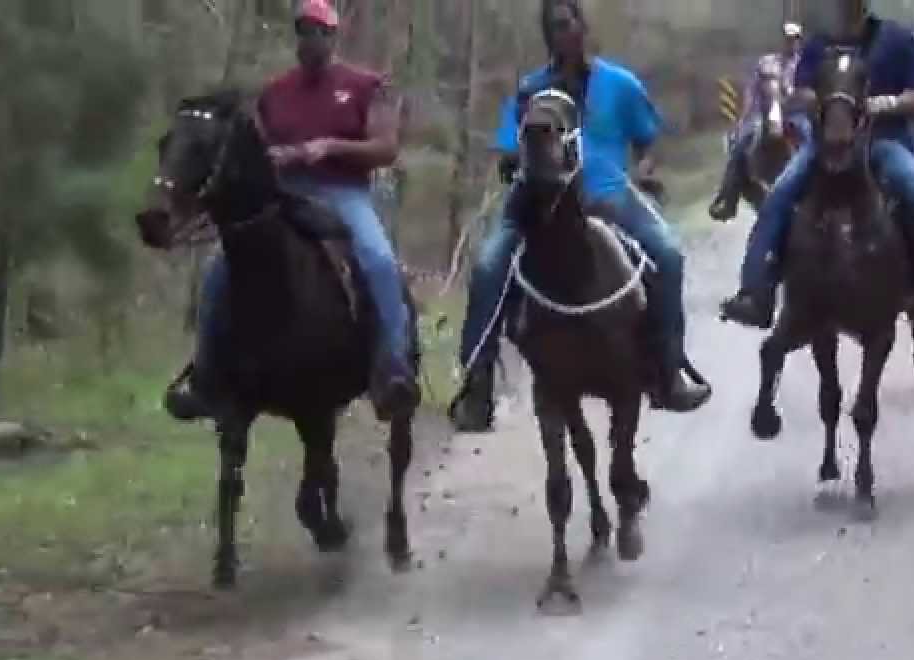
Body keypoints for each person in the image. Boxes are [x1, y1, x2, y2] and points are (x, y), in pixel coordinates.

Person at [448, 0, 710, 432]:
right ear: (547, 35)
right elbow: (508, 147)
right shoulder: (531, 91)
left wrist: (643, 174)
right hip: (538, 199)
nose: (563, 34)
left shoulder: (621, 84)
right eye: (554, 27)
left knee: (668, 254)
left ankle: (668, 371)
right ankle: (478, 384)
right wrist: (518, 160)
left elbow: (647, 141)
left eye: (568, 24)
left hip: (609, 192)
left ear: (583, 27)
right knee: (488, 265)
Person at [166, 0, 418, 421]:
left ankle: (392, 366)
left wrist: (328, 147)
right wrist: (266, 159)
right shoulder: (275, 92)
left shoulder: (365, 86)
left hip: (343, 191)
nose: (309, 40)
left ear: (333, 36)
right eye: (303, 31)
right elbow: (254, 149)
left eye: (318, 32)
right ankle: (206, 376)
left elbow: (386, 148)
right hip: (285, 192)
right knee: (218, 269)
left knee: (378, 260)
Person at [719, 0, 914, 329]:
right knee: (779, 193)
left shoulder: (897, 39)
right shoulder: (819, 44)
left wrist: (891, 102)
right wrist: (830, 101)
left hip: (884, 139)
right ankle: (755, 292)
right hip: (825, 144)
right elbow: (800, 93)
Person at [708, 22, 804, 221]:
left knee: (811, 140)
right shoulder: (767, 62)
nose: (790, 43)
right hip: (764, 113)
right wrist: (743, 119)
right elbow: (752, 92)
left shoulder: (802, 66)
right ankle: (728, 198)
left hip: (794, 114)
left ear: (799, 41)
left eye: (794, 39)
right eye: (787, 39)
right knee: (742, 143)